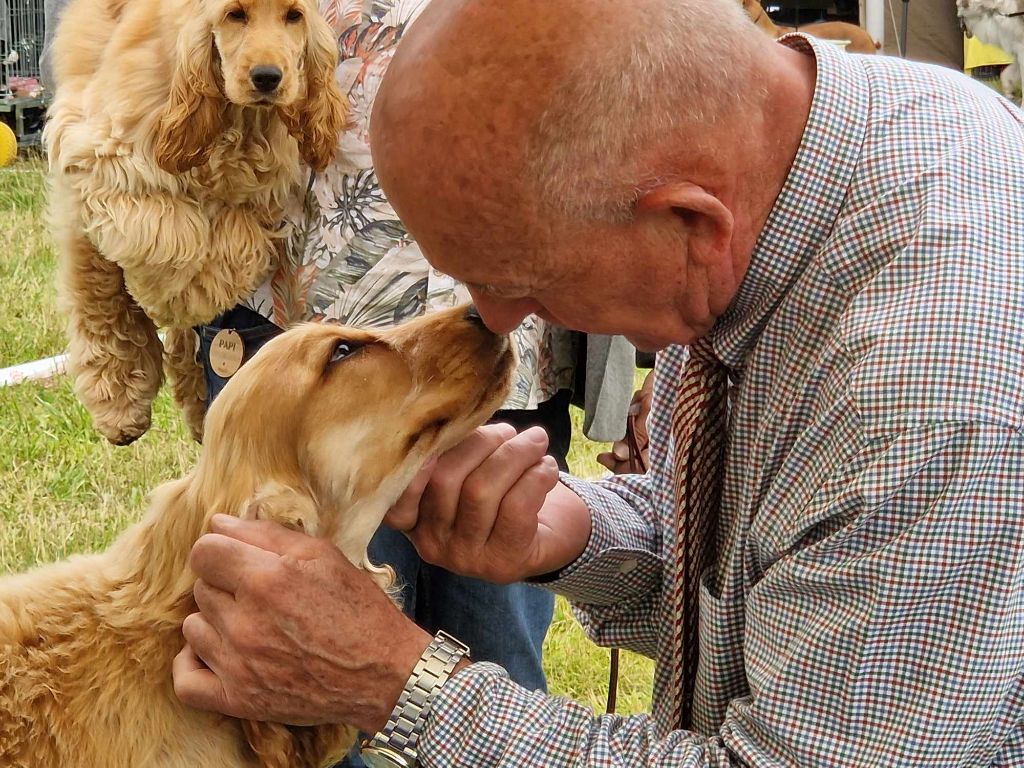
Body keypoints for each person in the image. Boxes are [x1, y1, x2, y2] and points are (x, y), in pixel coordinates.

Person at [171, 0, 1024, 764]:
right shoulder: (804, 151)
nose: (497, 323)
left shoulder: (925, 395)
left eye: (525, 283)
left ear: (689, 221)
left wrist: (400, 685)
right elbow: (793, 556)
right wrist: (576, 535)